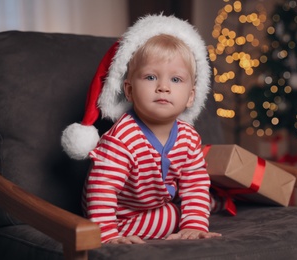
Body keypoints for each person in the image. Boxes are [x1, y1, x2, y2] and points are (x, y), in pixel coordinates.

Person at [61, 14, 221, 244]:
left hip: (152, 203)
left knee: (192, 205)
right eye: (151, 77)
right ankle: (212, 204)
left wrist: (194, 225)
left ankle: (212, 203)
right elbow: (101, 190)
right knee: (173, 214)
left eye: (176, 80)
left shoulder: (188, 137)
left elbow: (195, 182)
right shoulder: (122, 139)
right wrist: (107, 234)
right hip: (117, 214)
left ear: (191, 97)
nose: (163, 87)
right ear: (129, 90)